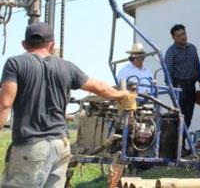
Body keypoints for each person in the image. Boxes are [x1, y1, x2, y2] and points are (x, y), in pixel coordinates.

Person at [0, 22, 136, 188]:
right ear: (52, 45)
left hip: (31, 147)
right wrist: (121, 94)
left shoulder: (15, 64)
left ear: (24, 44)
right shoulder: (67, 67)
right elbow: (98, 87)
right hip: (60, 147)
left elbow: (5, 103)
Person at [165, 24, 200, 128]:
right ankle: (178, 143)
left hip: (191, 87)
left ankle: (181, 142)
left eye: (184, 33)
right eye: (179, 35)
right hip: (179, 87)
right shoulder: (171, 52)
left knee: (188, 118)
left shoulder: (192, 48)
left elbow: (197, 67)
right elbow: (168, 74)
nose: (183, 37)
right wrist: (172, 93)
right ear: (173, 37)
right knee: (179, 118)